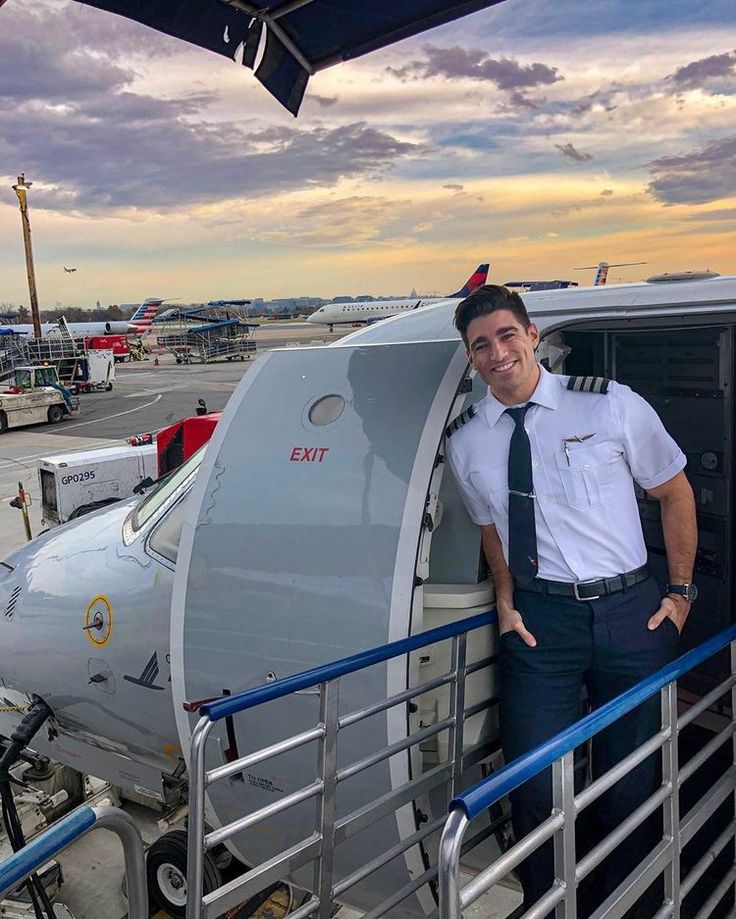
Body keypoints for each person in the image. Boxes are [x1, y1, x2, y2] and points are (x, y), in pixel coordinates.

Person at [444, 285, 697, 915]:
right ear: (472, 358)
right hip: (539, 624)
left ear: (532, 337)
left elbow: (675, 492)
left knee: (633, 775)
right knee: (532, 779)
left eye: (507, 335)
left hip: (632, 613)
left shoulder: (609, 406)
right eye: (481, 345)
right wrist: (505, 597)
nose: (498, 353)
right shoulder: (467, 439)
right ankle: (552, 906)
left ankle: (630, 904)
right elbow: (490, 527)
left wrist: (681, 593)